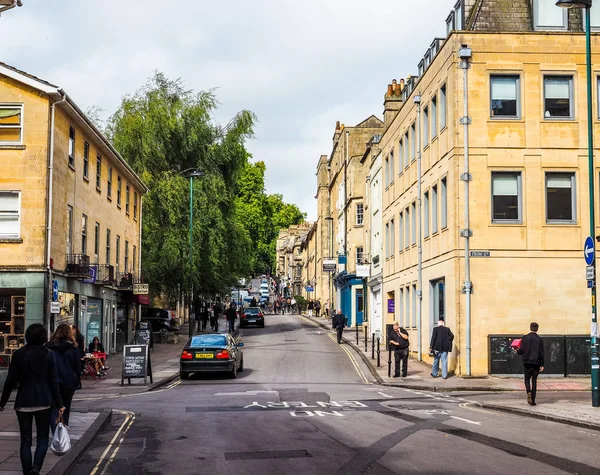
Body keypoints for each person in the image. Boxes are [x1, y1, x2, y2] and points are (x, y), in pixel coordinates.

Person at [0, 324, 65, 475]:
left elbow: (10, 381)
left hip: (23, 402)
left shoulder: (18, 354)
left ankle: (26, 471)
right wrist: (60, 404)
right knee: (43, 437)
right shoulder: (49, 354)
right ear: (43, 337)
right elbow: (54, 381)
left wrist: (2, 403)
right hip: (44, 401)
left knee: (25, 441)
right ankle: (36, 468)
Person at [47, 323, 81, 431]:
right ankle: (63, 429)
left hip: (52, 380)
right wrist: (77, 381)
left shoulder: (48, 347)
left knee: (54, 407)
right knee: (66, 406)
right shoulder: (73, 348)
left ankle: (54, 429)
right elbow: (77, 367)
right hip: (68, 381)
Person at [517, 322, 545, 406]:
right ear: (537, 329)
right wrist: (542, 364)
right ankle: (533, 400)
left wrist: (517, 350)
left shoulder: (524, 338)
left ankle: (528, 391)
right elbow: (541, 353)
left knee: (527, 379)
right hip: (536, 362)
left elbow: (521, 351)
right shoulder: (539, 339)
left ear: (530, 328)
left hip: (527, 362)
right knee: (534, 381)